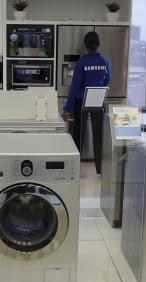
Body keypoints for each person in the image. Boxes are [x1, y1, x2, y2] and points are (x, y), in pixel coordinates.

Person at [62, 31, 111, 175]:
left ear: (85, 45)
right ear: (98, 44)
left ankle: (75, 170)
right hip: (98, 101)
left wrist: (67, 109)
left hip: (81, 101)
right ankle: (99, 170)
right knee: (98, 135)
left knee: (78, 135)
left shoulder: (81, 62)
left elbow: (75, 86)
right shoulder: (105, 61)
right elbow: (107, 81)